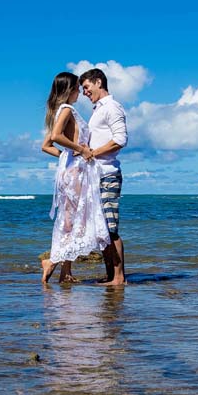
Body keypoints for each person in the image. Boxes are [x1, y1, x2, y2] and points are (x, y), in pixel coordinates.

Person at [39, 72, 110, 285]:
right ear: (69, 90)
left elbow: (46, 146)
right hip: (75, 173)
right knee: (73, 220)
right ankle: (52, 262)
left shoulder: (62, 110)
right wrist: (80, 149)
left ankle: (65, 272)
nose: (80, 92)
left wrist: (66, 156)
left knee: (69, 219)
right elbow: (55, 138)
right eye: (77, 89)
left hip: (72, 169)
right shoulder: (67, 109)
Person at [79, 68, 128, 285]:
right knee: (102, 229)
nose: (84, 92)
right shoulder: (97, 110)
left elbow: (120, 140)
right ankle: (110, 275)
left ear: (99, 82)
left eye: (87, 87)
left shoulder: (112, 107)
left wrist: (92, 153)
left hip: (108, 174)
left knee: (110, 228)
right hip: (95, 175)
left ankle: (118, 278)